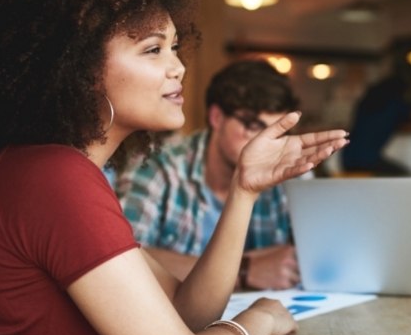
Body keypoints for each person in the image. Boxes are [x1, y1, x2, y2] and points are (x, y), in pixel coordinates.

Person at [0, 0, 348, 335]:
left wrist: (245, 189)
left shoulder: (52, 167)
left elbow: (185, 313)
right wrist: (258, 319)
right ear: (81, 69)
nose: (178, 67)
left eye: (174, 46)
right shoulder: (55, 177)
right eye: (153, 49)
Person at [115, 59, 302, 288]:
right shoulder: (159, 169)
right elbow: (122, 260)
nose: (266, 144)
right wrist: (246, 270)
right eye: (254, 126)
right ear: (217, 118)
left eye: (278, 131)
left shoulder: (291, 176)